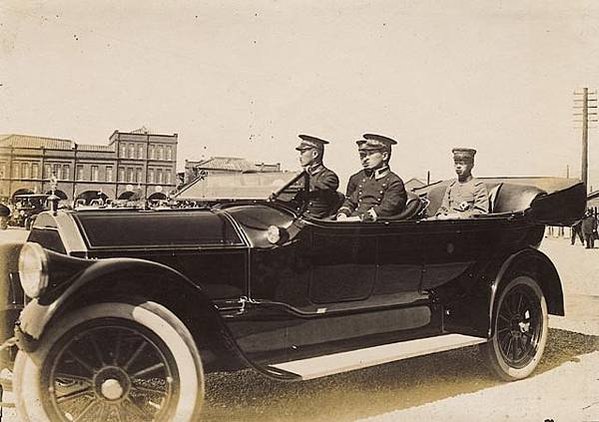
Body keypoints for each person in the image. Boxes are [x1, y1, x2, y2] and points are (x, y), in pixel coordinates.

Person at [337, 133, 407, 221]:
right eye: (364, 155)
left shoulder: (394, 182)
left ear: (384, 156)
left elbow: (387, 209)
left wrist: (358, 218)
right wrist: (343, 214)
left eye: (370, 154)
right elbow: (351, 201)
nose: (365, 158)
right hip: (356, 223)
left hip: (374, 226)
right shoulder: (364, 180)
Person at [295, 134, 340, 219]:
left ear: (315, 154)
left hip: (315, 222)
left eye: (303, 152)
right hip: (299, 218)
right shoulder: (302, 176)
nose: (300, 157)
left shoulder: (329, 176)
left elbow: (313, 188)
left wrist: (303, 175)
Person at [435, 147, 488, 218]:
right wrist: (440, 215)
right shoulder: (451, 187)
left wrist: (458, 216)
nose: (458, 166)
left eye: (462, 164)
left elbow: (480, 212)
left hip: (467, 226)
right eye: (456, 163)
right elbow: (443, 208)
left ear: (471, 165)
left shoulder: (478, 186)